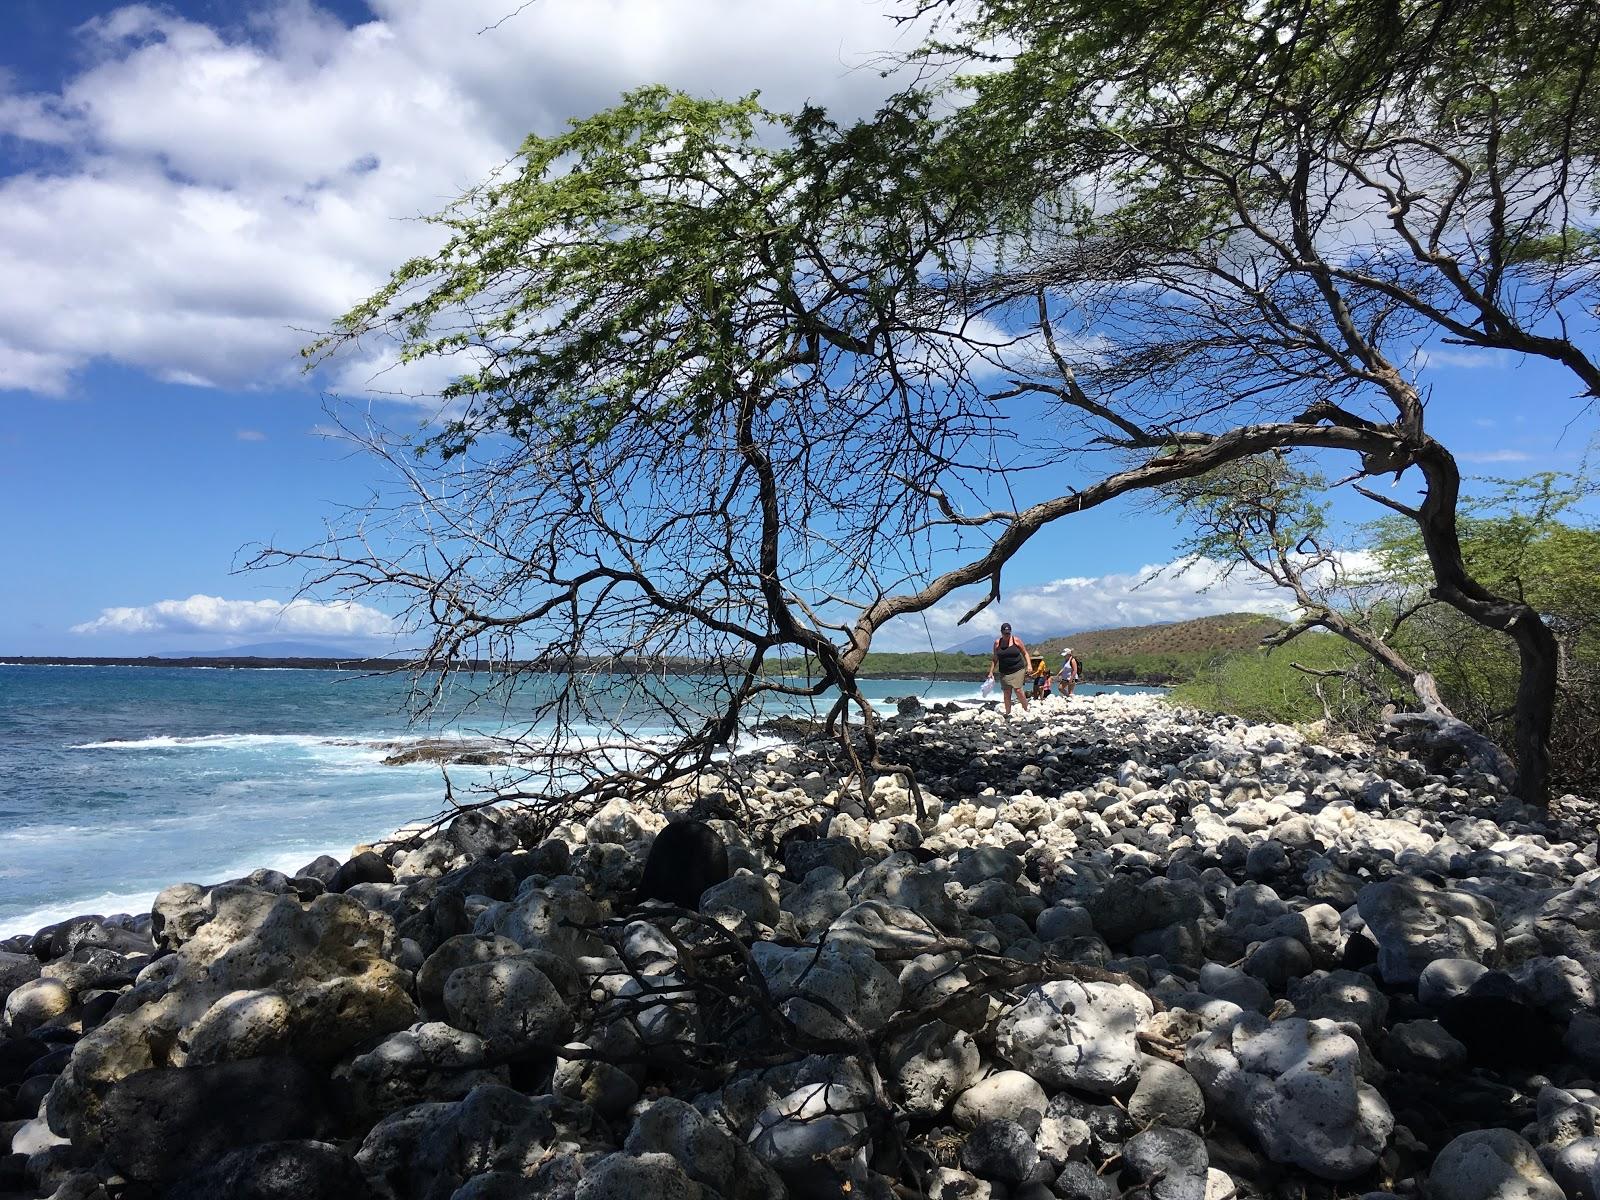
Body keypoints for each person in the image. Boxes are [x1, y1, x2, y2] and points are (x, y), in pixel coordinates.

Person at [987, 622, 1031, 716]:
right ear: (1001, 633)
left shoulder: (1016, 640)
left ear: (1010, 632)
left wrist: (1029, 665)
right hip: (1004, 671)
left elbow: (1025, 653)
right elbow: (995, 658)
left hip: (1017, 669)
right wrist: (991, 671)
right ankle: (1008, 713)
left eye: (1008, 633)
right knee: (1007, 693)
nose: (1006, 635)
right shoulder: (997, 643)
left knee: (1018, 690)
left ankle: (1026, 709)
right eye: (1005, 633)